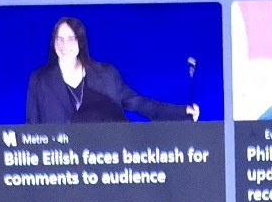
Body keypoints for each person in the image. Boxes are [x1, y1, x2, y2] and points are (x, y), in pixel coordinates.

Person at [24, 16, 199, 124]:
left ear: (81, 42)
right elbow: (32, 127)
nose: (64, 45)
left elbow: (139, 103)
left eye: (71, 39)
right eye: (59, 39)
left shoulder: (106, 75)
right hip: (60, 164)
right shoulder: (39, 79)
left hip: (105, 161)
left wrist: (182, 112)